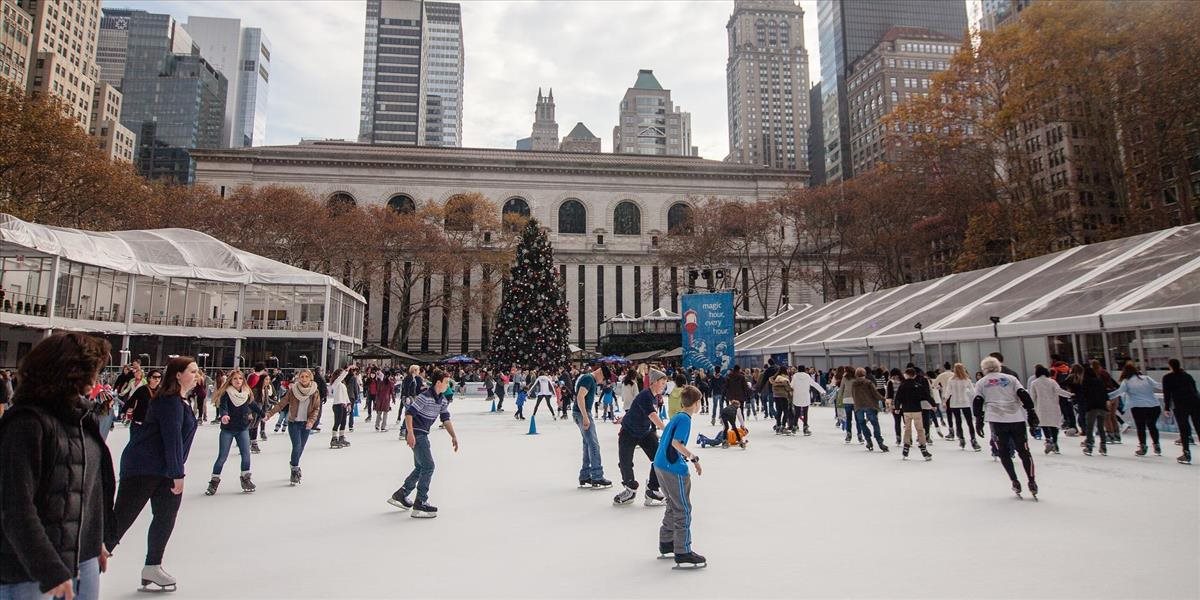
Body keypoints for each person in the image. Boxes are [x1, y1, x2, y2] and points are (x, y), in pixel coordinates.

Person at [0, 333, 115, 600]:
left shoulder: (82, 418)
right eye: (91, 372)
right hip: (30, 570)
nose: (95, 381)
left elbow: (87, 489)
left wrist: (91, 539)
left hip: (81, 558)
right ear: (72, 373)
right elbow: (15, 506)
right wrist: (48, 568)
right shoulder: (27, 425)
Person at [107, 356, 199, 593]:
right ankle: (88, 563)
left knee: (165, 516)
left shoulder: (181, 401)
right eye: (192, 371)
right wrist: (178, 473)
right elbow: (172, 438)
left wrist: (174, 471)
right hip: (144, 468)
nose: (197, 375)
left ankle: (152, 565)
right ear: (177, 375)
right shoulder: (169, 402)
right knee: (121, 519)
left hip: (164, 470)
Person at [387, 369, 459, 518]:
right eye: (446, 382)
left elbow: (445, 419)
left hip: (422, 434)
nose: (448, 385)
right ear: (438, 382)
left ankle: (402, 494)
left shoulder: (442, 400)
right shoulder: (424, 397)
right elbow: (409, 413)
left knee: (421, 467)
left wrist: (453, 436)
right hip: (416, 433)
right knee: (428, 466)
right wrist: (410, 433)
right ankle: (420, 502)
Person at [653, 385, 705, 568]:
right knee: (683, 508)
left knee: (673, 504)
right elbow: (676, 443)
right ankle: (683, 550)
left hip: (660, 465)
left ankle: (667, 541)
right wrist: (694, 458)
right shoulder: (685, 420)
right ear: (697, 403)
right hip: (673, 468)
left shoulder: (677, 416)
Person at [973, 357, 1039, 498]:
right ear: (999, 367)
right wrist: (1031, 411)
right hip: (1016, 417)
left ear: (984, 369)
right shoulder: (1010, 379)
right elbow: (1023, 394)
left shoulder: (981, 382)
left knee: (1003, 451)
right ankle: (1032, 480)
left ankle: (1014, 480)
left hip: (996, 419)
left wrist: (978, 419)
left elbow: (978, 401)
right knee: (1024, 451)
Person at [613, 368, 668, 506]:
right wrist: (667, 431)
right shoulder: (645, 395)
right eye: (662, 382)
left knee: (659, 458)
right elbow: (652, 415)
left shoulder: (653, 396)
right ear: (654, 382)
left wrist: (625, 416)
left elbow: (636, 410)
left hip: (644, 432)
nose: (664, 385)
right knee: (625, 462)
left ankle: (652, 489)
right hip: (629, 432)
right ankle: (630, 488)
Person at [205, 369, 263, 495]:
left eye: (240, 379)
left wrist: (263, 414)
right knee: (222, 456)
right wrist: (224, 415)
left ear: (243, 381)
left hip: (242, 428)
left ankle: (245, 478)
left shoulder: (246, 393)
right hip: (228, 429)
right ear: (230, 380)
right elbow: (223, 406)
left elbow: (253, 406)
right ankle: (214, 481)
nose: (238, 381)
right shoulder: (227, 393)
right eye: (235, 378)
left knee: (246, 454)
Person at [262, 368, 322, 485]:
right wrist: (269, 414)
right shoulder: (293, 390)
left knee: (301, 448)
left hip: (306, 424)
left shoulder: (315, 391)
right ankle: (294, 470)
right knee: (297, 446)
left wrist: (311, 421)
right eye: (302, 376)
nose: (304, 379)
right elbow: (281, 404)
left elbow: (316, 408)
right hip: (294, 422)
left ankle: (293, 464)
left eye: (306, 376)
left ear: (310, 378)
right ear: (298, 378)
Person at [1108, 362, 1164, 457]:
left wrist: (1106, 396)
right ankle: (1156, 445)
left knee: (1141, 427)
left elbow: (1118, 392)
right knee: (1152, 426)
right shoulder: (1146, 378)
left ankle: (1143, 446)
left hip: (1138, 407)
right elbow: (1158, 386)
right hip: (1154, 405)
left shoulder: (1126, 381)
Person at [573, 363, 612, 489]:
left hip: (581, 412)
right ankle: (597, 476)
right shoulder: (589, 379)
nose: (602, 382)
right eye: (604, 379)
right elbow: (580, 397)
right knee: (594, 445)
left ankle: (585, 475)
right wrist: (585, 416)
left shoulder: (589, 379)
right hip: (582, 413)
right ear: (600, 373)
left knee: (588, 444)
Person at [1065, 364, 1110, 456]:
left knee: (1089, 427)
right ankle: (1103, 446)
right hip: (1102, 407)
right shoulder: (1100, 381)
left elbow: (1083, 394)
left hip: (1091, 407)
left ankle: (1089, 445)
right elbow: (1105, 394)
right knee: (1101, 427)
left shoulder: (1085, 382)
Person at [1162, 358, 1199, 465]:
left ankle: (1186, 453)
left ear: (1170, 366)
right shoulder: (1187, 376)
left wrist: (1167, 407)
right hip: (1195, 403)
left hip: (1180, 405)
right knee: (1198, 426)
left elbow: (1167, 394)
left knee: (1184, 429)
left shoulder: (1168, 377)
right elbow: (1195, 390)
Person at [1028, 365, 1072, 455]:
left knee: (1044, 424)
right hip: (1053, 406)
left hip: (1041, 407)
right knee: (1053, 425)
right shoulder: (1052, 381)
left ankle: (1048, 440)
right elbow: (1059, 391)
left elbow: (1032, 397)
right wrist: (1070, 395)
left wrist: (1029, 406)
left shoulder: (1034, 383)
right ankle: (1055, 442)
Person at [895, 368, 933, 461]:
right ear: (914, 375)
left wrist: (897, 408)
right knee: (920, 429)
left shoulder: (902, 385)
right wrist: (933, 404)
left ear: (906, 375)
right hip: (917, 410)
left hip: (906, 410)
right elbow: (926, 395)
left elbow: (898, 397)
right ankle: (923, 448)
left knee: (907, 429)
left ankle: (906, 448)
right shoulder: (918, 385)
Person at [848, 367, 888, 452]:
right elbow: (875, 393)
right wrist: (884, 399)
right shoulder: (868, 383)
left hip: (859, 406)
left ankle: (868, 441)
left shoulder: (854, 384)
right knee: (875, 423)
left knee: (862, 423)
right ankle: (880, 442)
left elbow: (853, 395)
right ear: (864, 374)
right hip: (870, 405)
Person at [944, 363, 982, 451]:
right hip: (965, 402)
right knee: (970, 422)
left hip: (954, 402)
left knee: (958, 421)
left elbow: (948, 392)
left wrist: (945, 400)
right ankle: (973, 440)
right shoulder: (967, 380)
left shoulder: (951, 380)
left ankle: (961, 439)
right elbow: (973, 392)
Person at [789, 365, 825, 436]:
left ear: (798, 370)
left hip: (797, 397)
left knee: (797, 413)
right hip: (805, 397)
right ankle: (805, 428)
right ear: (805, 370)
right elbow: (814, 384)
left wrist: (790, 392)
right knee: (805, 413)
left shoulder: (795, 376)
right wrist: (822, 391)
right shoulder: (807, 376)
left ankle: (794, 427)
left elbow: (791, 385)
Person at [328, 368, 351, 449]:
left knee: (343, 422)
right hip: (337, 405)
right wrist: (347, 369)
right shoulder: (335, 383)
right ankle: (334, 439)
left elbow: (346, 395)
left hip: (343, 405)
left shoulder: (342, 384)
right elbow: (341, 377)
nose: (343, 376)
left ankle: (341, 437)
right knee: (337, 422)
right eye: (341, 374)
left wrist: (348, 404)